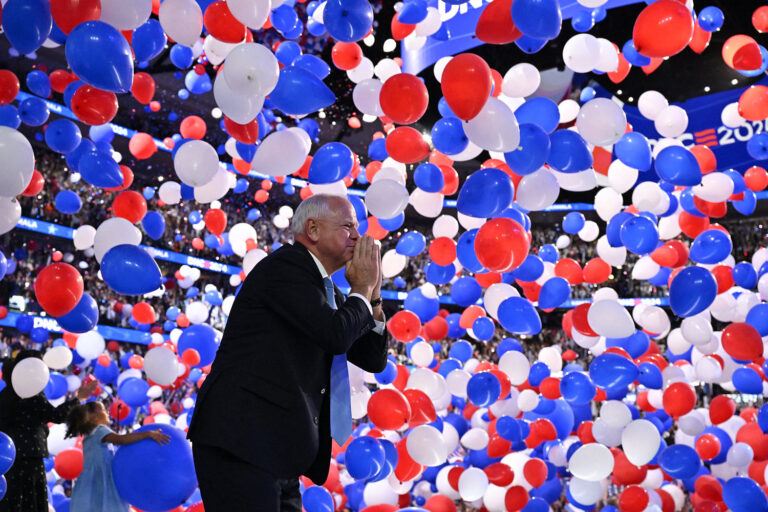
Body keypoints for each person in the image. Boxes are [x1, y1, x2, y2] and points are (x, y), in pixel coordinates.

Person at [188, 194, 389, 511]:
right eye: (348, 226)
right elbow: (335, 336)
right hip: (241, 439)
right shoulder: (286, 268)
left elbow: (372, 358)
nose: (357, 236)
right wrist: (362, 290)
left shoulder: (324, 289)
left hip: (276, 447)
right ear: (313, 229)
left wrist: (373, 296)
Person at [0, 350, 99, 512]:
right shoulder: (31, 394)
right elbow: (56, 415)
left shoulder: (5, 394)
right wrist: (79, 398)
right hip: (30, 458)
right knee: (31, 503)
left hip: (7, 458)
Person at [64, 401, 171, 512]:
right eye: (103, 409)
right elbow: (121, 440)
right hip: (105, 479)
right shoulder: (100, 430)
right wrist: (148, 434)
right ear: (94, 416)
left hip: (90, 483)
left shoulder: (88, 434)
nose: (107, 412)